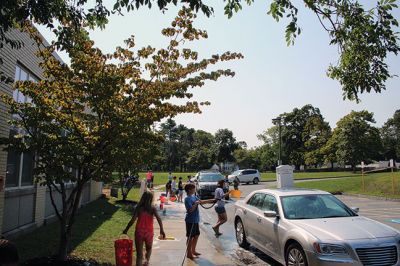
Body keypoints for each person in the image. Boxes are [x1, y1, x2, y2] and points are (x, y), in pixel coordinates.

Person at [123, 191, 165, 266]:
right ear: (151, 199)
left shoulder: (138, 208)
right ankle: (146, 262)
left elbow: (132, 220)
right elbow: (159, 218)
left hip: (139, 232)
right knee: (149, 249)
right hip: (149, 232)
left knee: (139, 255)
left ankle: (143, 263)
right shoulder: (152, 208)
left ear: (142, 198)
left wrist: (126, 229)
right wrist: (162, 229)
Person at [184, 183, 214, 260]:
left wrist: (213, 200)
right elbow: (190, 210)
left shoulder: (194, 197)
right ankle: (189, 254)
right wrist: (196, 204)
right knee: (190, 237)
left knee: (196, 235)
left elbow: (201, 202)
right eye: (194, 188)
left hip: (196, 220)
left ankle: (193, 251)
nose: (195, 189)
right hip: (190, 221)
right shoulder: (187, 199)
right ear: (190, 190)